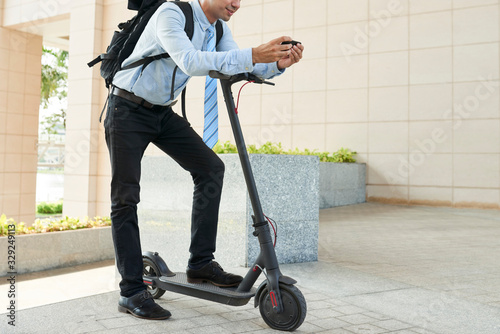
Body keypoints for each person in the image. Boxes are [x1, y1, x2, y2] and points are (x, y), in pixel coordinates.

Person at [105, 0, 304, 320]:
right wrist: (254, 52)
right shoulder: (170, 12)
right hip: (126, 108)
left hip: (160, 112)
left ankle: (200, 263)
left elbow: (237, 65)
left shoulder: (219, 28)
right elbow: (190, 61)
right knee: (125, 198)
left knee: (211, 168)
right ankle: (131, 291)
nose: (236, 3)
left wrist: (278, 63)